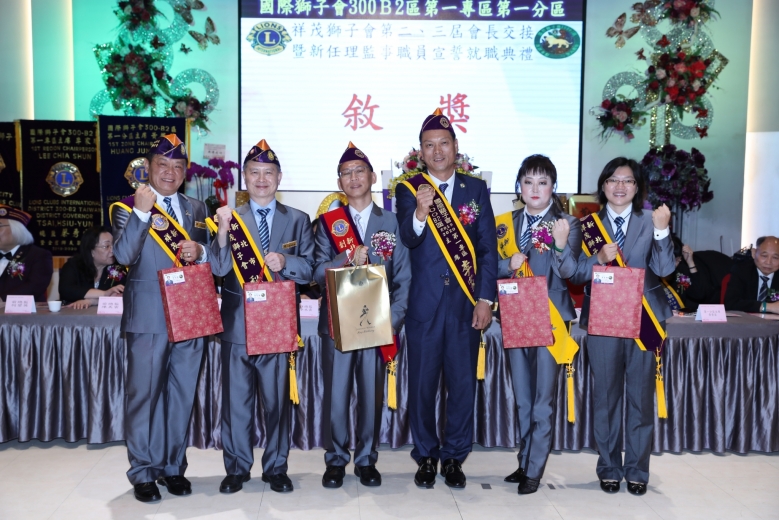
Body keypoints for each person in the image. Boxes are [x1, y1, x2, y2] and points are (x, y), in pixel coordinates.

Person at [111, 134, 220, 503]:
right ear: (148, 167)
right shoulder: (127, 206)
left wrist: (200, 249)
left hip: (191, 314)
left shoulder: (196, 207)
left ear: (185, 171)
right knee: (144, 396)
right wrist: (143, 213)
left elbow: (213, 257)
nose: (170, 172)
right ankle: (143, 472)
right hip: (149, 318)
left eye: (178, 166)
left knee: (181, 395)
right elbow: (124, 256)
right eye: (162, 165)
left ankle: (173, 467)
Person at [395, 109, 498, 489]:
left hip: (464, 306)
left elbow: (487, 250)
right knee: (422, 386)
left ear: (455, 147)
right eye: (429, 145)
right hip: (423, 305)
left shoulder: (476, 189)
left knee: (462, 384)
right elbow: (408, 238)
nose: (437, 151)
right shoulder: (408, 189)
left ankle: (454, 455)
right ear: (420, 151)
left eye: (443, 144)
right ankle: (425, 455)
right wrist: (421, 213)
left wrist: (485, 299)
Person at [209, 139, 315, 494]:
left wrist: (287, 261)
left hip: (278, 324)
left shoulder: (298, 220)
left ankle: (276, 467)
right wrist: (221, 232)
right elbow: (218, 268)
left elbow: (310, 269)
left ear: (279, 177)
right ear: (245, 177)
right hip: (238, 324)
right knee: (236, 403)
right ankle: (237, 468)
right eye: (254, 172)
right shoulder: (230, 218)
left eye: (268, 173)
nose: (261, 179)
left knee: (277, 403)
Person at [571, 157, 674, 496]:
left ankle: (638, 471)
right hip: (603, 320)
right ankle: (609, 468)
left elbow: (664, 268)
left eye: (627, 181)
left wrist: (662, 231)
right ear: (603, 186)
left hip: (644, 319)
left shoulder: (652, 220)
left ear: (637, 187)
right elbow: (574, 273)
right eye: (613, 180)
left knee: (641, 399)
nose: (620, 186)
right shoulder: (587, 226)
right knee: (606, 398)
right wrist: (598, 260)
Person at [314, 142, 410, 489]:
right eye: (346, 173)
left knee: (371, 395)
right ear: (339, 181)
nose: (353, 178)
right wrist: (346, 259)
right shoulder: (327, 223)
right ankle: (336, 459)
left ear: (372, 177)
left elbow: (404, 278)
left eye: (360, 171)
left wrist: (391, 321)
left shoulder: (392, 222)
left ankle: (367, 459)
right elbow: (316, 272)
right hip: (338, 325)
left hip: (375, 324)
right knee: (336, 396)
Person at [496, 155, 582, 494]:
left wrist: (560, 245)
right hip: (516, 315)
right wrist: (508, 264)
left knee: (542, 400)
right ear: (519, 186)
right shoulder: (505, 223)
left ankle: (534, 469)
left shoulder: (567, 223)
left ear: (553, 187)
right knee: (523, 397)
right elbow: (490, 267)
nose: (535, 189)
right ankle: (524, 460)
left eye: (542, 182)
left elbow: (571, 272)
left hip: (551, 319)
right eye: (528, 181)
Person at [58, 226, 126, 308]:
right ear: (92, 251)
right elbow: (66, 290)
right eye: (106, 246)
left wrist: (92, 301)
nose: (112, 250)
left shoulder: (117, 269)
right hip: (74, 313)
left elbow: (120, 296)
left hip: (105, 315)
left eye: (113, 245)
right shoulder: (74, 265)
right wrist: (104, 294)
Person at [0, 205, 52, 302]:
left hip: (24, 310)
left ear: (16, 229)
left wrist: (3, 299)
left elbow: (35, 286)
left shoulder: (38, 255)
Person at [662, 235, 721, 312]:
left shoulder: (680, 275)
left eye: (677, 260)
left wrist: (690, 262)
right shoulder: (650, 275)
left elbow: (698, 295)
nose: (673, 265)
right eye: (670, 260)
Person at [725, 236, 779, 313]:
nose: (768, 262)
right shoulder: (741, 271)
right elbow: (730, 303)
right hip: (745, 319)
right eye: (764, 256)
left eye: (775, 258)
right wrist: (767, 307)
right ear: (754, 253)